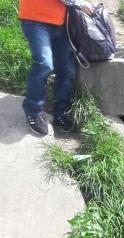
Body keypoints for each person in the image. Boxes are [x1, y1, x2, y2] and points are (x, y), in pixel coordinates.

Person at [18, 0, 93, 136]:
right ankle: (33, 111)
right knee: (44, 64)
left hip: (61, 22)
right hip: (35, 19)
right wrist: (80, 3)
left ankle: (61, 112)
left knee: (66, 69)